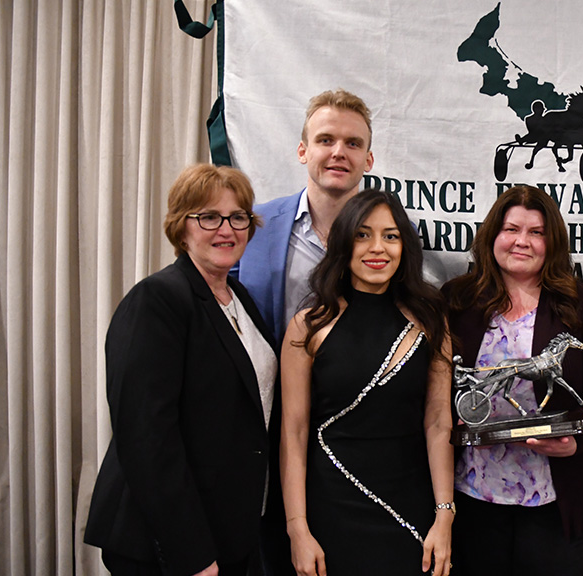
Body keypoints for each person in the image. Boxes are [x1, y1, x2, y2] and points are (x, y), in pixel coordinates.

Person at [85, 164, 277, 575]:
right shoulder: (157, 300)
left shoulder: (237, 296)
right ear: (181, 226)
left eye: (238, 216)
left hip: (227, 530)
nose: (226, 229)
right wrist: (191, 553)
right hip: (167, 542)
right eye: (209, 216)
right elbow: (146, 438)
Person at [442, 185, 583, 576]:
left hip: (556, 499)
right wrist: (447, 418)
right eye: (511, 229)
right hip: (473, 495)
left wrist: (577, 438)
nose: (521, 242)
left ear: (552, 242)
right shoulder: (456, 301)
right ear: (493, 235)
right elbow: (434, 382)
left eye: (536, 232)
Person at [233, 88, 374, 575]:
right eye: (326, 139)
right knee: (274, 543)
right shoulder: (253, 226)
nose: (339, 152)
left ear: (369, 158)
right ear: (302, 151)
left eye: (353, 143)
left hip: (357, 422)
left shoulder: (389, 234)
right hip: (269, 419)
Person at [280, 190, 454, 576]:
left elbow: (439, 422)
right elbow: (294, 432)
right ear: (344, 242)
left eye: (391, 236)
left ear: (404, 246)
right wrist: (297, 529)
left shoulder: (430, 322)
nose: (378, 248)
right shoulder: (308, 325)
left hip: (412, 506)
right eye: (363, 235)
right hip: (330, 508)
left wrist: (445, 516)